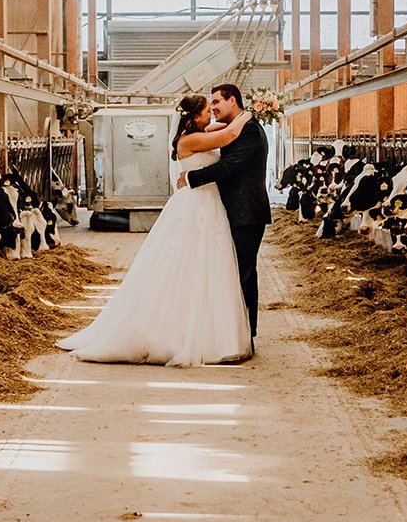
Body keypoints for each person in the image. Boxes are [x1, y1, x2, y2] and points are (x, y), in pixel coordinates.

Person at [58, 94, 253, 366]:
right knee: (187, 264)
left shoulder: (198, 133)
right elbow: (230, 135)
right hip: (197, 205)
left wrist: (232, 117)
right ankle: (180, 334)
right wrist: (251, 112)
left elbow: (219, 129)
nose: (211, 114)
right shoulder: (190, 140)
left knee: (209, 264)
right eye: (207, 110)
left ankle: (209, 330)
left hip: (207, 205)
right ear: (194, 116)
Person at [178, 83, 269, 347]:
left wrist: (191, 177)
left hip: (246, 211)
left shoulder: (249, 129)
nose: (214, 109)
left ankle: (245, 335)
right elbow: (223, 136)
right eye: (209, 106)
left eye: (216, 102)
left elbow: (229, 166)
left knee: (244, 273)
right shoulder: (234, 127)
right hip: (229, 210)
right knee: (230, 272)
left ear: (232, 100)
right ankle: (233, 332)